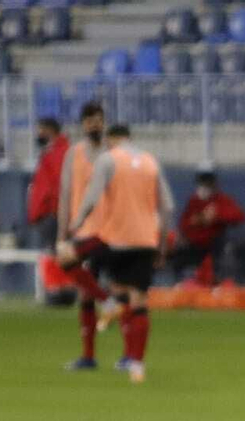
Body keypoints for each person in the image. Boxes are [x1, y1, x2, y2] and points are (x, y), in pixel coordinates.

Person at [68, 124, 172, 384]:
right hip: (145, 240)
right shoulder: (150, 161)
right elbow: (167, 207)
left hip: (113, 239)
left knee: (65, 258)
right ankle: (136, 366)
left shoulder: (108, 159)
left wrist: (77, 222)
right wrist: (161, 246)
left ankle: (106, 302)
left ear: (111, 140)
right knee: (137, 300)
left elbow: (92, 196)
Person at [58, 102, 114, 371]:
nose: (94, 124)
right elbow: (66, 194)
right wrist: (62, 232)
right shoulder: (74, 154)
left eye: (98, 120)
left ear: (104, 123)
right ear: (82, 124)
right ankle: (89, 356)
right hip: (83, 230)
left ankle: (129, 356)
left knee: (121, 289)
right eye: (89, 120)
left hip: (110, 230)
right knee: (85, 294)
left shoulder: (113, 153)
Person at [170, 170, 245, 286]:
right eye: (202, 185)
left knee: (219, 258)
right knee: (178, 257)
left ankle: (217, 285)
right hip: (193, 245)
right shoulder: (194, 201)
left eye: (208, 185)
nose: (204, 188)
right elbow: (184, 223)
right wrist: (199, 219)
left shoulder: (222, 200)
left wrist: (217, 215)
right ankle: (179, 285)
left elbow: (239, 216)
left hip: (214, 245)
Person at [27, 117, 68, 249]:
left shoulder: (59, 152)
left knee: (53, 257)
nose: (38, 134)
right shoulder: (50, 152)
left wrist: (53, 211)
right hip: (46, 214)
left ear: (49, 130)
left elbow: (59, 185)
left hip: (52, 215)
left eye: (40, 130)